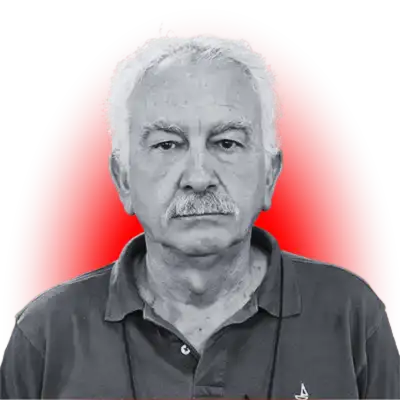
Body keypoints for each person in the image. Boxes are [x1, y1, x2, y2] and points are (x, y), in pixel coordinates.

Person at [1, 34, 399, 399]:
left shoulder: (353, 318)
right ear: (123, 180)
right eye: (167, 145)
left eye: (226, 143)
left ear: (270, 175)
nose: (198, 177)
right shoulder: (45, 337)